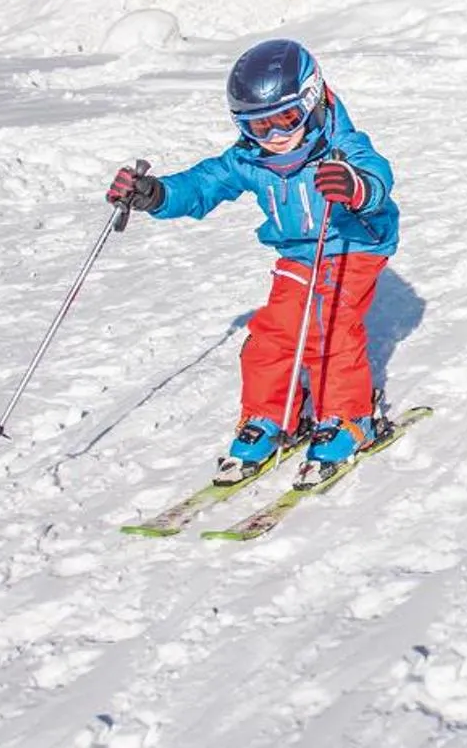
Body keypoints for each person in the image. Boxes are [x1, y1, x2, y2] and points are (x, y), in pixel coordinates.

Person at [105, 38, 400, 481]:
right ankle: (269, 415)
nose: (276, 137)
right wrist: (158, 194)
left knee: (329, 326)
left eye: (286, 119)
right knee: (273, 333)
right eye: (258, 127)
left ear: (313, 100)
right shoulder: (251, 158)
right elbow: (204, 183)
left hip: (353, 243)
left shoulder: (342, 146)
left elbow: (377, 175)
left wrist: (355, 187)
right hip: (298, 253)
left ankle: (346, 416)